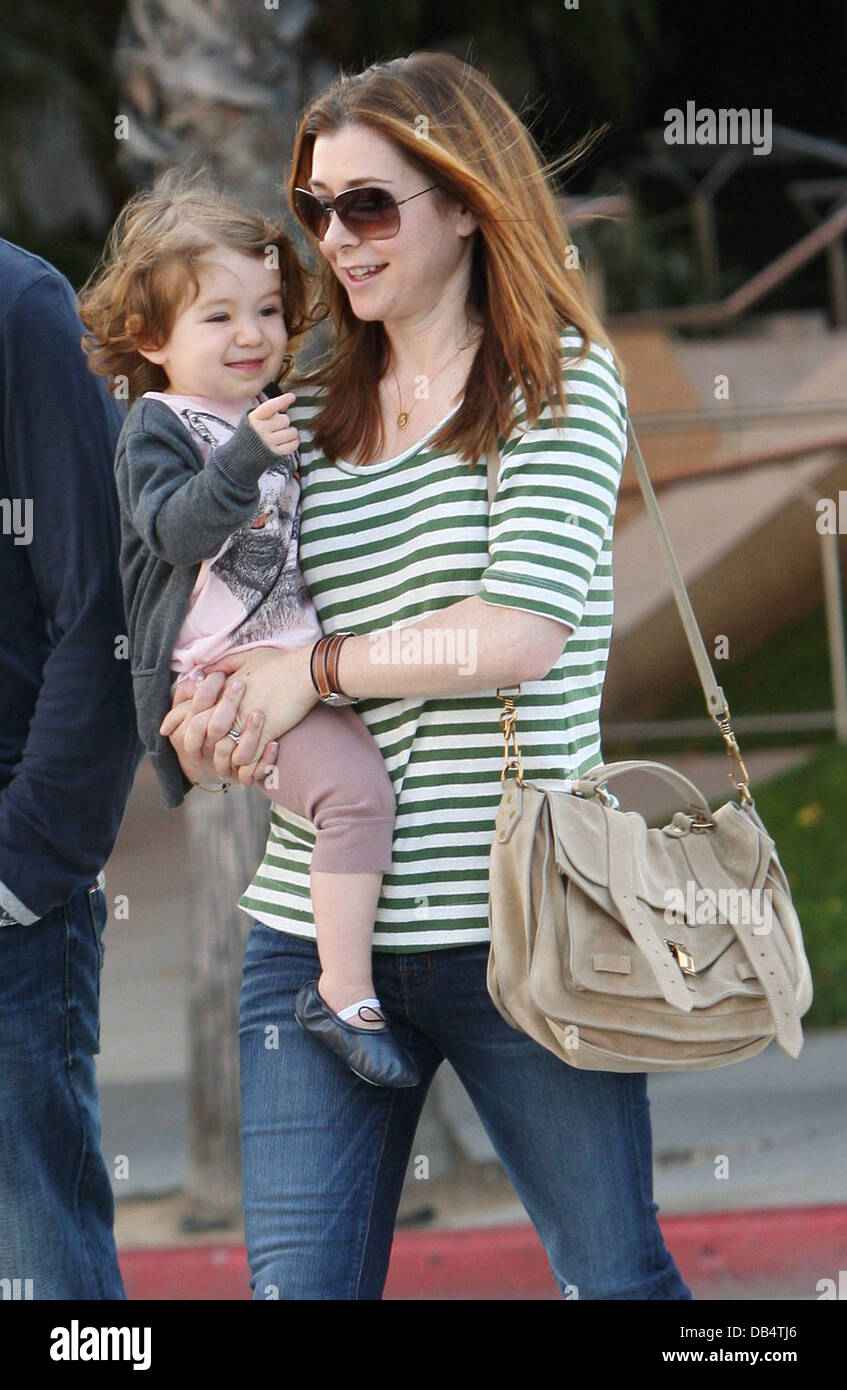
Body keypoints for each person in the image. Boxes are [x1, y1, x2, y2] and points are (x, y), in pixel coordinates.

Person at [162, 52, 693, 1300]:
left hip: (518, 931)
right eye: (315, 207)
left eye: (370, 203)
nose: (336, 237)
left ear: (463, 199)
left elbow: (517, 633)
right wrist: (214, 723)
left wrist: (319, 670)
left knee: (617, 1281)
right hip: (310, 942)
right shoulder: (301, 405)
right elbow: (237, 625)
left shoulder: (549, 379)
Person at [78, 171, 417, 1089]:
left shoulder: (275, 410)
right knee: (354, 799)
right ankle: (343, 993)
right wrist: (240, 455)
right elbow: (172, 529)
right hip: (218, 677)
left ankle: (352, 977)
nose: (251, 335)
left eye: (266, 310)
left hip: (286, 661)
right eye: (217, 318)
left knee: (362, 788)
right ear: (152, 339)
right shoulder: (158, 423)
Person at [0, 238, 142, 1299]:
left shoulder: (20, 307)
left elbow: (100, 610)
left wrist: (26, 861)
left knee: (44, 1263)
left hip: (10, 903)